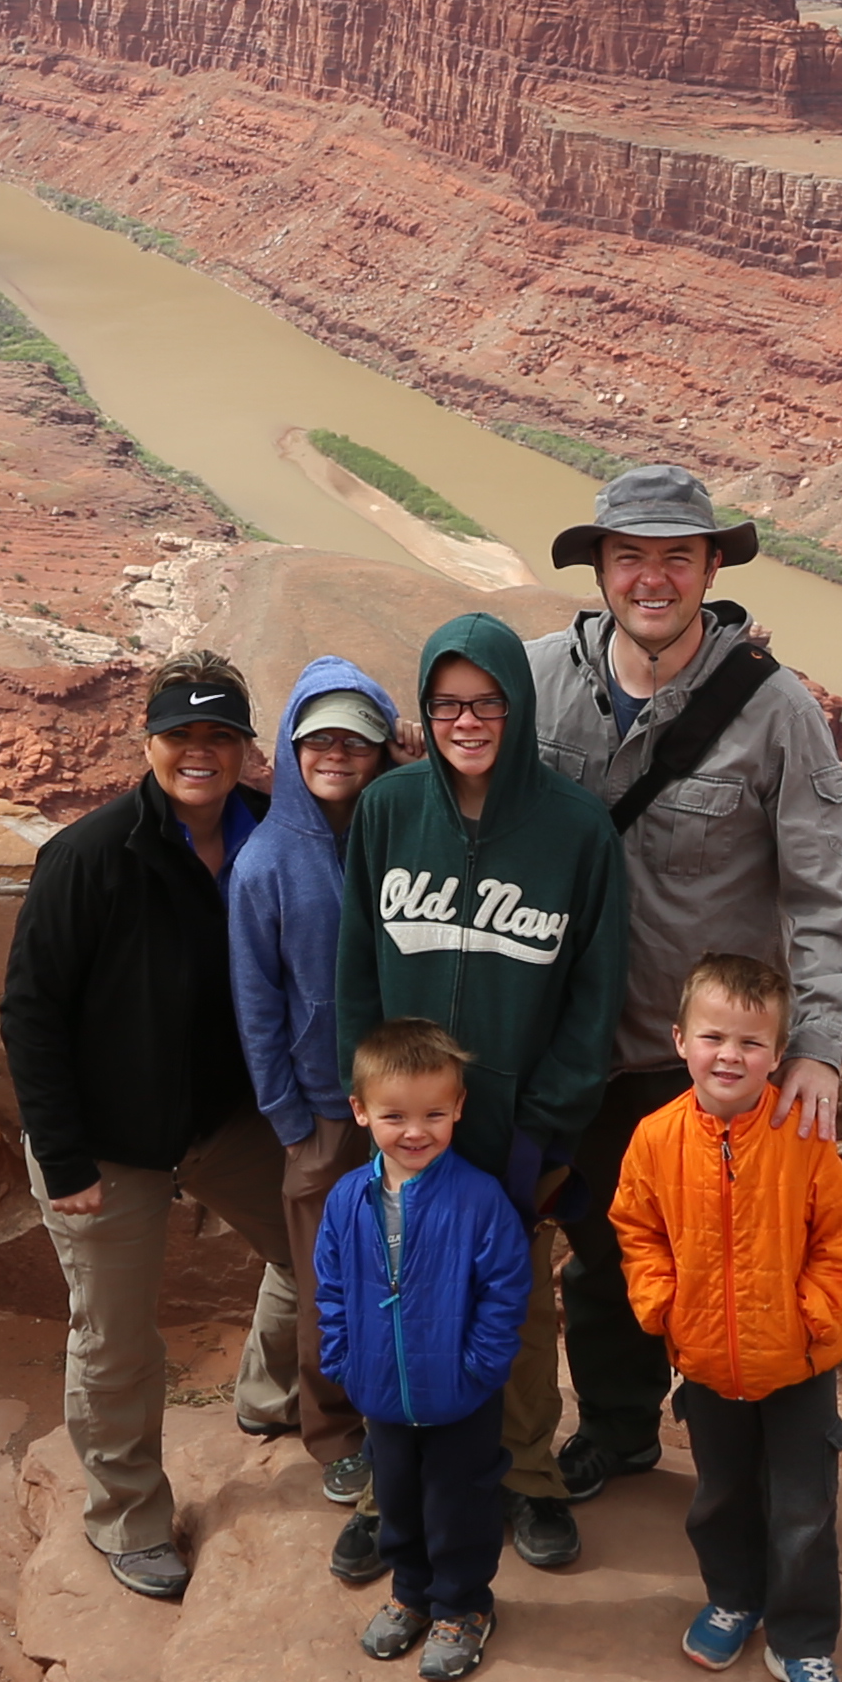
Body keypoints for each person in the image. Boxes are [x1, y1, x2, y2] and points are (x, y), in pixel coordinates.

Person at [526, 462, 842, 1502]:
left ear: (711, 566)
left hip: (690, 1056)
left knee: (737, 1255)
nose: (652, 580)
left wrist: (818, 1046)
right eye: (628, 557)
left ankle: (762, 1454)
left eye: (675, 558)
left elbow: (829, 897)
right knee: (603, 1253)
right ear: (598, 567)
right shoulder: (541, 679)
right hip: (564, 1036)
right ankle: (622, 1429)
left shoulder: (773, 712)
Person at [329, 609, 627, 1574]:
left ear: (518, 704)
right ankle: (393, 1489)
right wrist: (362, 1092)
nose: (467, 722)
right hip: (406, 1121)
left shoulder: (575, 830)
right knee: (392, 1296)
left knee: (519, 1306)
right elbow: (355, 967)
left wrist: (546, 1130)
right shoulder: (388, 810)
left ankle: (527, 1475)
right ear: (425, 709)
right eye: (448, 704)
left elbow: (595, 994)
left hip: (511, 1126)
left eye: (487, 702)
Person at [0, 649, 294, 1600]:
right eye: (181, 735)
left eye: (219, 736)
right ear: (149, 743)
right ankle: (128, 1516)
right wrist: (65, 1155)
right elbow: (29, 1011)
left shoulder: (270, 841)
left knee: (325, 1252)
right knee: (118, 1338)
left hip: (225, 1120)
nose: (198, 753)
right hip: (106, 1140)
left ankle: (274, 1399)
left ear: (246, 748)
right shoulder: (89, 855)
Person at [609, 949, 842, 1682]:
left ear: (778, 1054)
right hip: (704, 1363)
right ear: (679, 1040)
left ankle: (802, 1641)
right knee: (719, 1497)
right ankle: (732, 1598)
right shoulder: (656, 1139)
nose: (731, 1055)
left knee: (804, 1509)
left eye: (752, 1043)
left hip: (796, 1366)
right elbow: (637, 1227)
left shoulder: (802, 1135)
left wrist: (814, 1317)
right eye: (714, 1037)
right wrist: (663, 1306)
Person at [307, 1013, 532, 1682]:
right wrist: (345, 1360)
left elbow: (505, 1289)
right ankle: (411, 1592)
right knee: (399, 1498)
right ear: (360, 1111)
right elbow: (331, 1284)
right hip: (380, 1390)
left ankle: (462, 1607)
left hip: (461, 1394)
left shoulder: (479, 1199)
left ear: (459, 1108)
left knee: (459, 1501)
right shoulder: (348, 1200)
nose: (415, 1131)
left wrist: (481, 1370)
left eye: (434, 1113)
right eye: (395, 1115)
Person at [228, 654, 401, 1499]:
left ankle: (400, 1412)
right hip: (325, 1113)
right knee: (329, 1281)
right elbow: (256, 1005)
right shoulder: (265, 862)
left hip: (409, 1106)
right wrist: (290, 1122)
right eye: (318, 737)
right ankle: (331, 1431)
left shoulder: (403, 830)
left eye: (359, 740)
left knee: (406, 1268)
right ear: (293, 745)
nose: (337, 753)